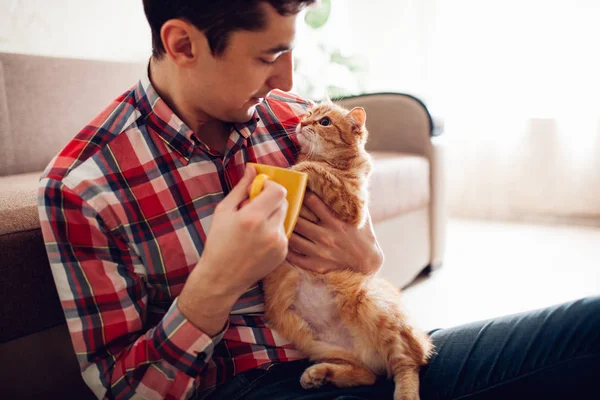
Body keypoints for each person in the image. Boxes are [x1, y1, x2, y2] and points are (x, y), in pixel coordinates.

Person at [37, 1, 599, 399]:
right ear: (182, 44)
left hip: (367, 354)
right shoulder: (84, 188)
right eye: (268, 56)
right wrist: (214, 285)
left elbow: (365, 255)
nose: (286, 78)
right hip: (243, 384)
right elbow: (126, 390)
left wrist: (367, 257)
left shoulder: (291, 121)